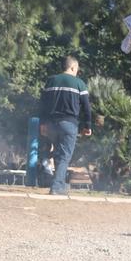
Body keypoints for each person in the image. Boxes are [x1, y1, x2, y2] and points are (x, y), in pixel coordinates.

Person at [38, 56, 93, 195]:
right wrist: (87, 125)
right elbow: (86, 107)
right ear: (73, 67)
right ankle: (57, 187)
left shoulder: (51, 81)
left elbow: (42, 104)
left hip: (51, 124)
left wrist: (43, 123)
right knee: (64, 156)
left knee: (58, 154)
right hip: (69, 124)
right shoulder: (79, 83)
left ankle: (60, 185)